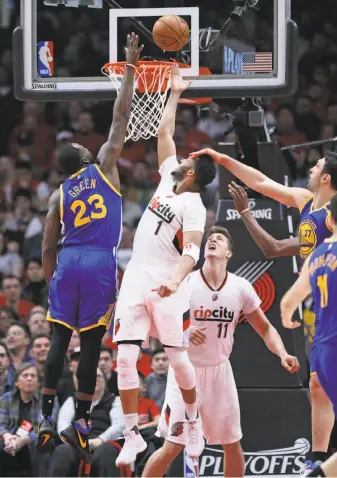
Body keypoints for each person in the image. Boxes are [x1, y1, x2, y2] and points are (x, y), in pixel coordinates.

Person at [190, 147, 337, 473]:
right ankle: (315, 460)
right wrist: (223, 159)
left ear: (327, 177)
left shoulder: (333, 214)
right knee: (317, 383)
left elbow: (273, 248)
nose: (310, 169)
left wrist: (246, 214)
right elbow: (260, 182)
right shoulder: (305, 201)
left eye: (316, 165)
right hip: (323, 304)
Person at [36, 33, 144, 465]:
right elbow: (121, 118)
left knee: (59, 337)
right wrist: (131, 67)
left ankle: (46, 417)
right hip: (99, 261)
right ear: (82, 156)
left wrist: (54, 279)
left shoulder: (57, 195)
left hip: (67, 261)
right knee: (93, 342)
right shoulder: (101, 167)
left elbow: (46, 245)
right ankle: (81, 421)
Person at [113, 64, 216, 466]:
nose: (182, 155)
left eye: (188, 158)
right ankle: (132, 435)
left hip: (168, 281)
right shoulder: (164, 181)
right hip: (138, 275)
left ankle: (191, 422)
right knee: (124, 358)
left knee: (178, 359)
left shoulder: (194, 204)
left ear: (191, 174)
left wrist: (175, 282)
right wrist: (173, 92)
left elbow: (193, 251)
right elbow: (164, 133)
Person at [143, 226, 300, 478]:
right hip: (186, 370)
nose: (212, 240)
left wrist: (283, 354)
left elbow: (265, 328)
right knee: (172, 445)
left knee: (232, 443)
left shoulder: (240, 287)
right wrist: (182, 331)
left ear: (228, 253)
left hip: (220, 371)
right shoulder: (186, 281)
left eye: (219, 239)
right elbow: (154, 322)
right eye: (210, 239)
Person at [280, 193, 337, 478]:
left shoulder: (316, 256)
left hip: (323, 346)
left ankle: (318, 473)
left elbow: (288, 302)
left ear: (329, 219)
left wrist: (287, 315)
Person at [49, 367, 124, 477]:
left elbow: (119, 426)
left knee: (106, 452)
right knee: (62, 451)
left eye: (98, 376)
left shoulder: (115, 400)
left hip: (104, 442)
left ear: (104, 381)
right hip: (75, 443)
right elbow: (63, 424)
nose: (94, 380)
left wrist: (100, 440)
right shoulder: (72, 400)